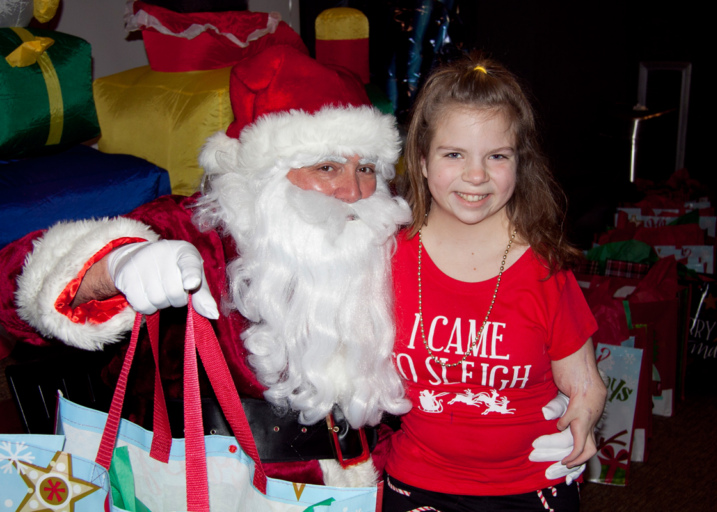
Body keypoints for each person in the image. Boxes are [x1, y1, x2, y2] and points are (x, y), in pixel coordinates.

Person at [0, 45, 584, 490]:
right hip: (230, 486)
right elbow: (15, 285)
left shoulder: (386, 238)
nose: (354, 192)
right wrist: (117, 262)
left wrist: (539, 399)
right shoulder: (208, 231)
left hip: (379, 483)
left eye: (367, 169)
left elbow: (490, 300)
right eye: (328, 166)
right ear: (264, 175)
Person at [383, 55, 607, 511]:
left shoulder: (545, 269)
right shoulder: (385, 257)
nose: (476, 175)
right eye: (453, 154)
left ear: (519, 164)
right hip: (418, 483)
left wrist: (583, 418)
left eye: (497, 156)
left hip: (532, 487)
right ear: (422, 161)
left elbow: (585, 383)